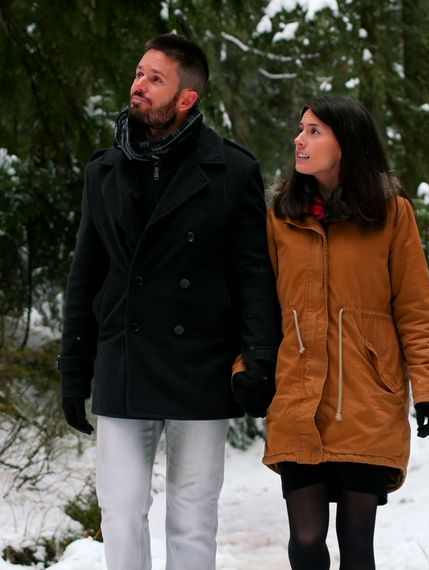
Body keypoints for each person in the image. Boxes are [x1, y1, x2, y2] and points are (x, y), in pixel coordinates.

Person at [57, 33, 281, 570]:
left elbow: (254, 275)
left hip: (200, 366)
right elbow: (85, 275)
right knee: (119, 508)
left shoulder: (232, 172)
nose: (138, 85)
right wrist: (73, 367)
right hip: (123, 361)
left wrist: (261, 357)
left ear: (187, 99)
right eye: (138, 73)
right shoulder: (103, 171)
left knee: (192, 513)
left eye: (155, 78)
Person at [260, 95, 429, 569]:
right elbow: (259, 305)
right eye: (300, 129)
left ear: (346, 144)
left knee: (356, 541)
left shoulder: (391, 213)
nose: (299, 140)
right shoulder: (282, 214)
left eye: (314, 131)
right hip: (299, 398)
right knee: (305, 540)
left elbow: (416, 307)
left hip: (367, 399)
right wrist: (249, 366)